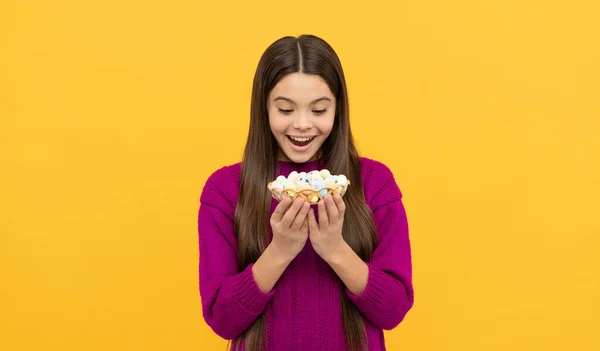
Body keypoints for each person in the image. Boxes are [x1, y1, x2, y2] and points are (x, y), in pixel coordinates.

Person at [198, 34, 414, 351]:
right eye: (285, 110)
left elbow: (394, 308)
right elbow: (221, 318)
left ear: (338, 110)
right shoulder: (225, 190)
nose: (302, 125)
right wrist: (280, 250)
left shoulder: (374, 182)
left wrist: (335, 249)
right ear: (264, 109)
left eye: (318, 110)